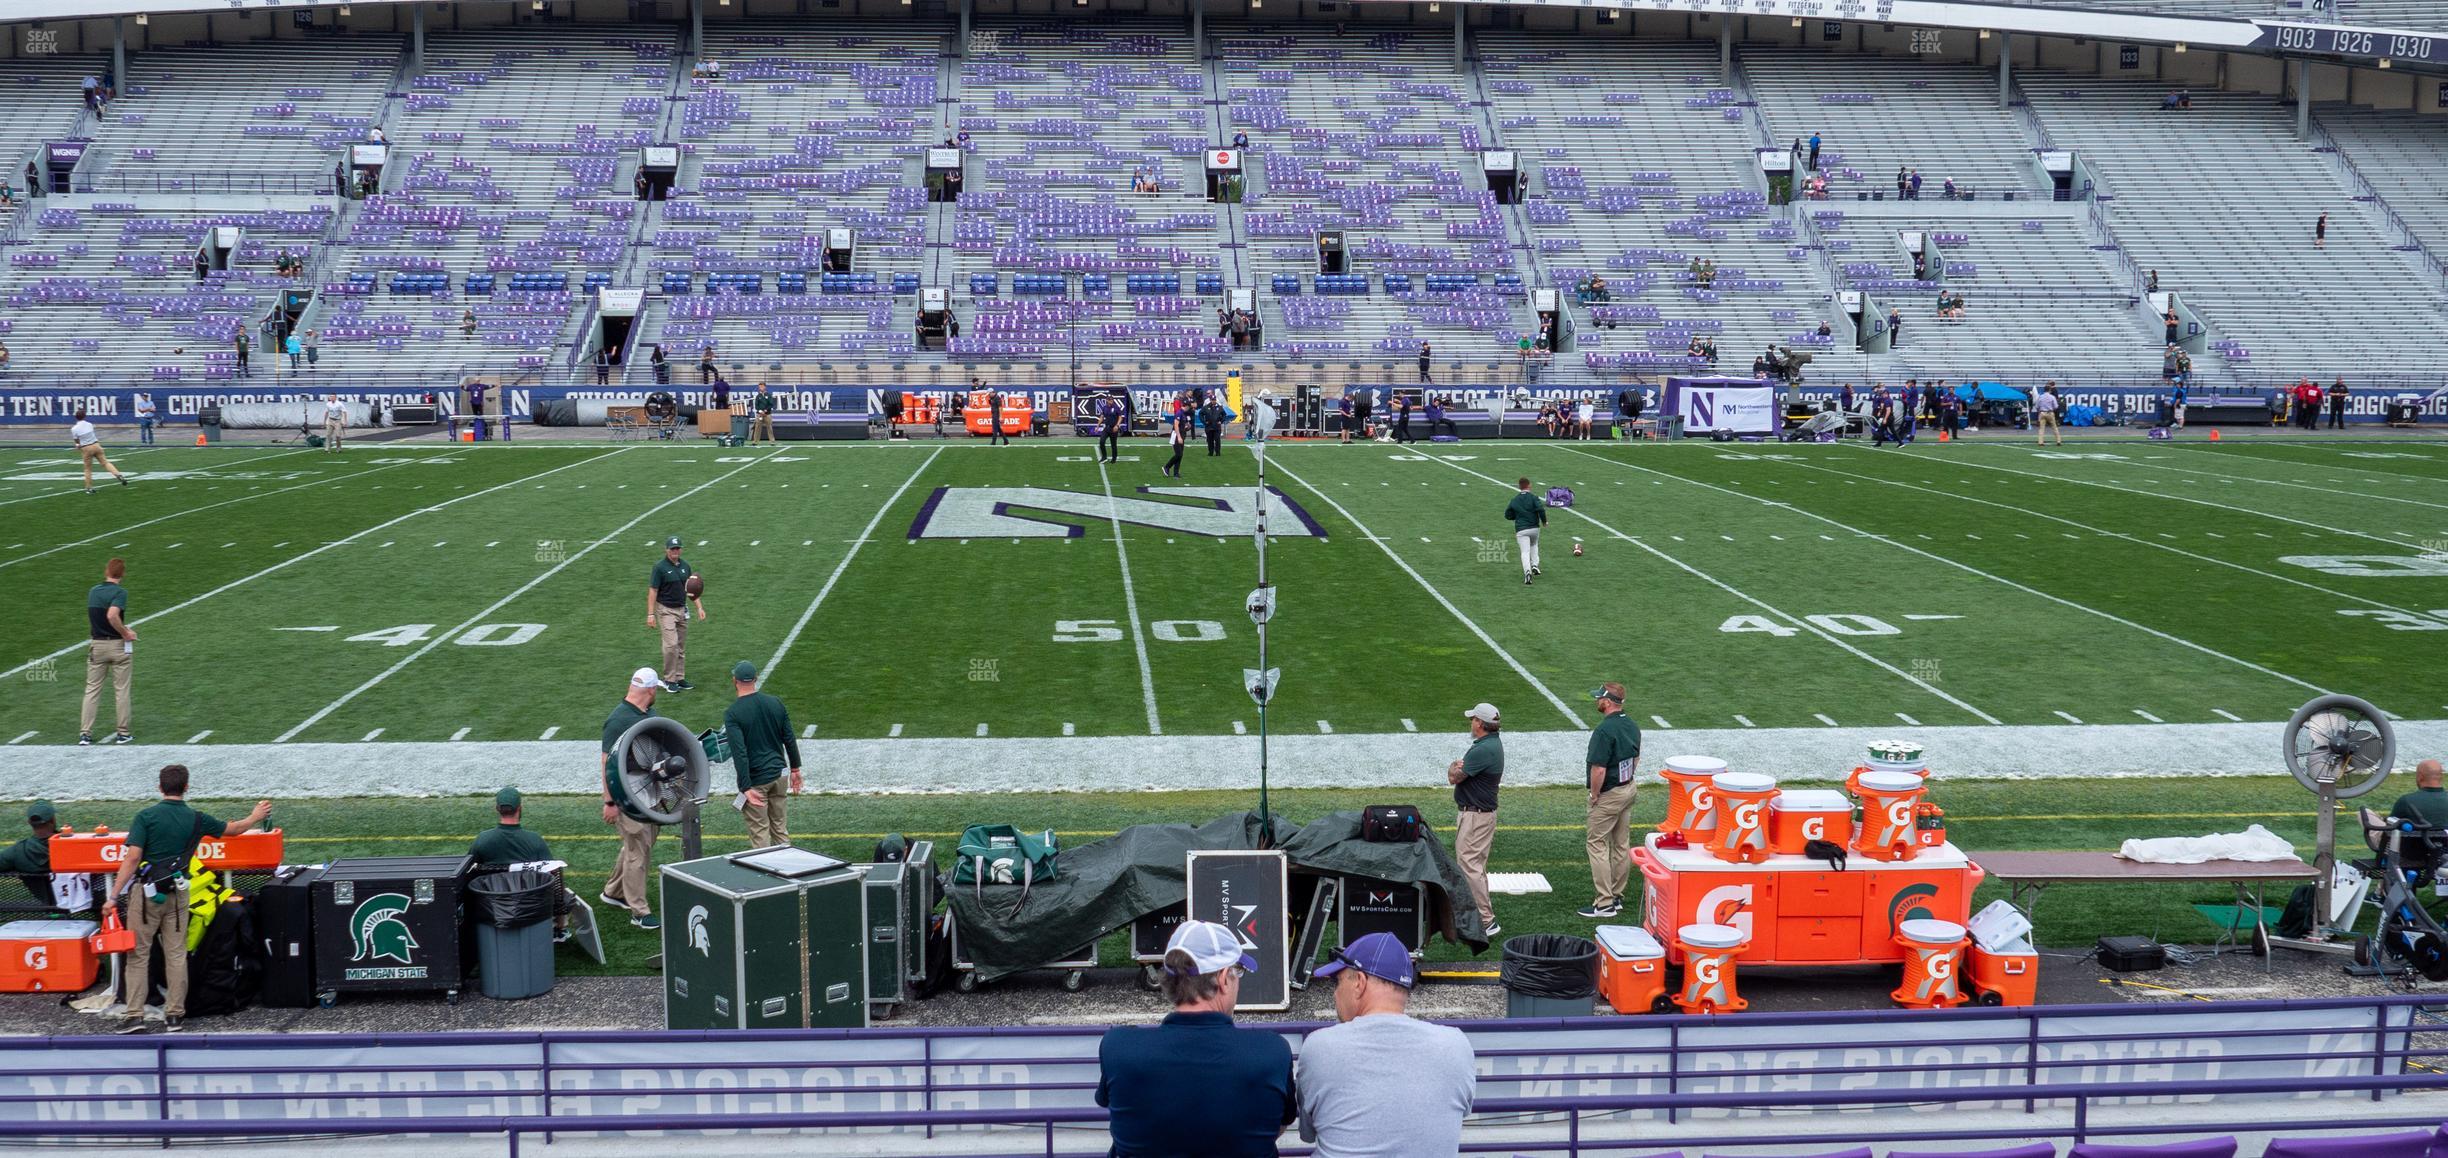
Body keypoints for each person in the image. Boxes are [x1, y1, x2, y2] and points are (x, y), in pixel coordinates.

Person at [1097, 920, 1296, 1157]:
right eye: (1238, 972)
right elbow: (1277, 1125)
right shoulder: (1271, 1052)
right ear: (1223, 978)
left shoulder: (1118, 1048)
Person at [111, 765, 272, 1031]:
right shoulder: (196, 818)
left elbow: (132, 858)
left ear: (160, 787)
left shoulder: (146, 817)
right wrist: (255, 816)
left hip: (147, 894)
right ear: (186, 787)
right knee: (177, 955)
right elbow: (233, 830)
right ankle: (174, 1014)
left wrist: (113, 895)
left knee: (139, 955)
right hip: (179, 891)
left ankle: (134, 1015)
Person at [1297, 931, 1477, 1158]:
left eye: (1338, 981)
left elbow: (1308, 1132)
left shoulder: (1320, 1047)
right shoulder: (1456, 1045)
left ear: (1359, 983)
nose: (1334, 993)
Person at [599, 669, 668, 930]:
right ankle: (639, 911)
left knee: (638, 845)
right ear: (650, 690)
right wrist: (609, 801)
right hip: (626, 797)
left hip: (649, 795)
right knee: (638, 850)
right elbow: (606, 762)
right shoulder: (617, 720)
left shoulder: (648, 715)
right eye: (656, 690)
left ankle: (613, 892)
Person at [722, 660, 804, 849]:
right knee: (780, 829)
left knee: (760, 836)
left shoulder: (733, 713)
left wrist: (745, 786)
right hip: (780, 776)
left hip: (757, 781)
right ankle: (788, 872)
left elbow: (739, 753)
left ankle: (767, 876)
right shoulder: (775, 703)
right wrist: (795, 768)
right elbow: (789, 738)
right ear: (756, 679)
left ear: (734, 680)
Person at [1578, 682, 1642, 920]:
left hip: (1609, 794)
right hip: (1628, 788)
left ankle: (1604, 903)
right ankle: (1616, 895)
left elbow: (1598, 769)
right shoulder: (1631, 724)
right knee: (1621, 843)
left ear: (1607, 702)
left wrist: (1595, 795)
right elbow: (1636, 757)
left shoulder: (1604, 731)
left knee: (1597, 844)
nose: (1597, 701)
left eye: (1599, 698)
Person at [1448, 703, 1504, 936]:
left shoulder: (1482, 750)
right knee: (1475, 867)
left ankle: (1485, 920)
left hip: (1475, 816)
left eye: (1473, 719)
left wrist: (1452, 767)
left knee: (1470, 867)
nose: (1471, 723)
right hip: (1480, 815)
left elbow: (1454, 777)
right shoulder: (1490, 745)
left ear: (1480, 723)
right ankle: (1478, 915)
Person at [645, 536, 705, 692]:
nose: (675, 551)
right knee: (671, 644)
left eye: (677, 548)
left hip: (681, 609)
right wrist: (650, 614)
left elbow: (691, 590)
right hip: (666, 610)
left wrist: (699, 607)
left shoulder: (685, 566)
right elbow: (653, 590)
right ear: (666, 550)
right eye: (672, 548)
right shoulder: (659, 567)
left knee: (680, 645)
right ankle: (669, 680)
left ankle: (680, 677)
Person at [0, 801, 63, 907]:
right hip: (85, 903)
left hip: (45, 903)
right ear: (52, 820)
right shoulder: (70, 845)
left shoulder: (18, 851)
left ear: (29, 822)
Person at [469, 787, 550, 868]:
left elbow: (466, 869)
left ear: (497, 808)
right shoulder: (535, 840)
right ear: (519, 808)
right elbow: (551, 870)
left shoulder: (482, 839)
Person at [72, 408, 127, 495]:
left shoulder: (74, 429)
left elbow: (77, 441)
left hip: (86, 448)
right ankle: (118, 474)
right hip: (96, 445)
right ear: (84, 416)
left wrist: (78, 446)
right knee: (105, 463)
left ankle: (89, 488)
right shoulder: (89, 424)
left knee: (88, 469)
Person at [1505, 477, 1545, 586]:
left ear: (1519, 487)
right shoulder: (1533, 497)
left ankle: (1527, 572)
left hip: (1521, 529)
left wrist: (1517, 517)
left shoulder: (1515, 500)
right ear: (1529, 485)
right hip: (1534, 528)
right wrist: (1544, 521)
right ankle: (1535, 565)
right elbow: (1541, 509)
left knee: (1525, 552)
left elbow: (1507, 515)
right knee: (1534, 545)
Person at [2390, 760, 2448, 828]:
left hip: (2415, 838)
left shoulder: (2406, 801)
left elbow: (2391, 824)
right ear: (2441, 776)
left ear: (2420, 776)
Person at [1097, 392, 1126, 463]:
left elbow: (1120, 417)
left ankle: (1114, 458)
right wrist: (1097, 426)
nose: (1111, 401)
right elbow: (1102, 417)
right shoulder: (1104, 408)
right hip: (1107, 428)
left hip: (1114, 428)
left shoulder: (1116, 408)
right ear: (1106, 400)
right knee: (1101, 442)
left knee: (1113, 444)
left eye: (1112, 399)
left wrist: (1117, 425)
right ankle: (1104, 457)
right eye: (1109, 399)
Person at [2035, 382, 2062, 446]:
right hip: (2050, 413)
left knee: (2041, 428)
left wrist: (2040, 411)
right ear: (2050, 390)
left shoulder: (2040, 397)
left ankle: (2040, 442)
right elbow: (2056, 406)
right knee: (2054, 427)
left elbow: (2037, 406)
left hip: (2042, 413)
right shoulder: (2052, 397)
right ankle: (2058, 441)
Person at [1162, 410, 1187, 479]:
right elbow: (1176, 425)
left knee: (1180, 455)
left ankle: (1176, 473)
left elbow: (1183, 426)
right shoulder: (1179, 413)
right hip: (1176, 435)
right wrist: (1179, 437)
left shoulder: (1185, 413)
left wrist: (1187, 427)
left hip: (1182, 435)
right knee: (1179, 454)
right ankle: (1167, 466)